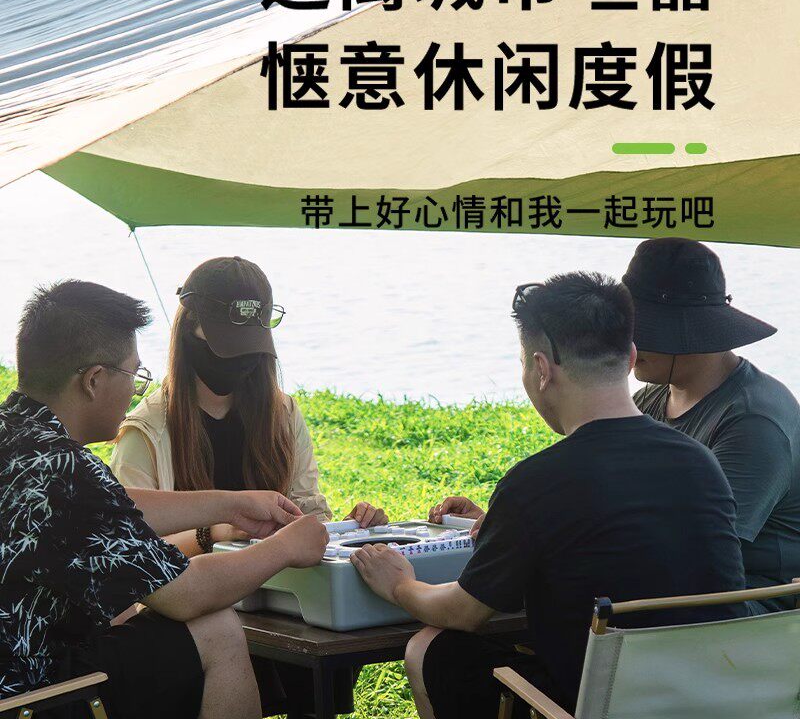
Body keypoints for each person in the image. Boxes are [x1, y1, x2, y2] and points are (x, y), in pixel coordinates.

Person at [351, 272, 747, 719]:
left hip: (600, 706)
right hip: (713, 699)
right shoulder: (701, 463)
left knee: (430, 648)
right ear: (631, 357)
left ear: (541, 369)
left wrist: (400, 584)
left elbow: (463, 613)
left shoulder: (536, 482)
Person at [0, 280, 328, 719]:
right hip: (30, 696)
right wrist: (285, 547)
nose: (136, 391)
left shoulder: (18, 437)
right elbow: (184, 594)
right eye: (134, 375)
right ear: (94, 380)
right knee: (215, 628)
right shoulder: (67, 470)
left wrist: (230, 504)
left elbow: (109, 505)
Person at [110, 256, 386, 716]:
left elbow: (307, 512)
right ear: (190, 328)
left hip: (284, 596)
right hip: (197, 603)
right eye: (227, 348)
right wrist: (217, 533)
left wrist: (349, 529)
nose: (239, 362)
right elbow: (135, 558)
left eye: (250, 349)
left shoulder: (282, 414)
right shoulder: (146, 432)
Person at [623, 238, 800, 611]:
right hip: (672, 578)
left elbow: (701, 553)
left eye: (641, 328)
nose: (627, 343)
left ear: (690, 329)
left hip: (747, 603)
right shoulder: (651, 398)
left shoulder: (752, 420)